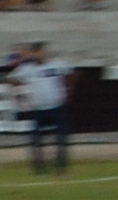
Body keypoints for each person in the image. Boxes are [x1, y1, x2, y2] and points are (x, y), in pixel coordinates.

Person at [12, 40, 73, 176]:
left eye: (40, 51)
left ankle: (61, 167)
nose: (38, 55)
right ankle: (39, 168)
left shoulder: (57, 65)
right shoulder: (27, 69)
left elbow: (71, 73)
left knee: (61, 138)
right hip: (38, 109)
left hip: (55, 106)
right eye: (35, 52)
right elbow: (12, 80)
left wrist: (67, 90)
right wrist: (21, 95)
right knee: (35, 140)